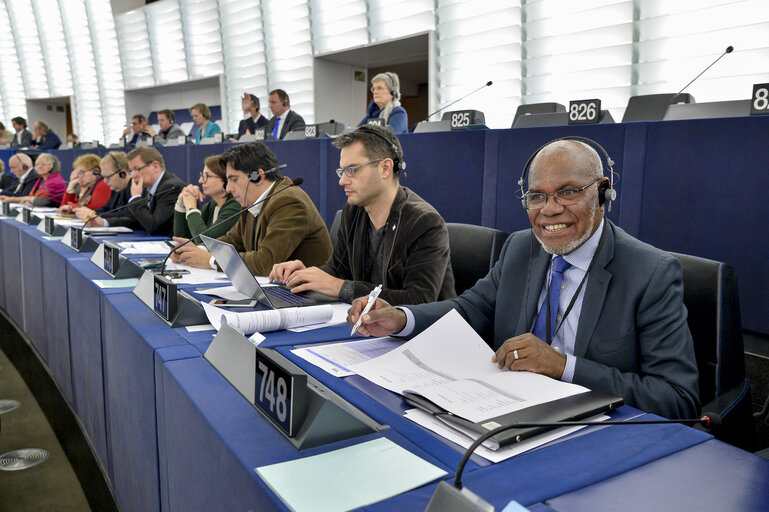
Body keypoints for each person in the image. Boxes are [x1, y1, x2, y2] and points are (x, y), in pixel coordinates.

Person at [348, 138, 700, 420]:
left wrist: (563, 367)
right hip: (505, 411)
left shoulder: (650, 273)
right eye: (537, 197)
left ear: (603, 192)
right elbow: (470, 310)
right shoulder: (522, 247)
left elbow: (677, 399)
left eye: (568, 192)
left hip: (591, 426)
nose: (549, 209)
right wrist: (401, 317)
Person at [269, 124, 455, 305]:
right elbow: (338, 271)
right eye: (342, 171)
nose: (342, 181)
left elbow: (418, 300)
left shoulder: (424, 223)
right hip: (370, 326)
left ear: (385, 168)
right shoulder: (353, 211)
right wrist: (305, 275)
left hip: (420, 334)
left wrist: (340, 286)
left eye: (352, 170)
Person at [170, 142, 332, 275]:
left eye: (233, 180)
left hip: (306, 299)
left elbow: (266, 262)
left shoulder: (288, 202)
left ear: (258, 176)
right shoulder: (252, 201)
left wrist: (211, 261)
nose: (229, 189)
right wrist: (196, 251)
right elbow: (233, 240)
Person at [85, 146, 185, 236]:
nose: (132, 175)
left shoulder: (171, 188)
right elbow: (137, 220)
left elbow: (154, 226)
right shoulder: (147, 187)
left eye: (137, 169)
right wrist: (104, 223)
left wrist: (136, 198)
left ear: (155, 166)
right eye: (131, 170)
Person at [173, 155, 240, 243]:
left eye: (207, 176)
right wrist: (181, 203)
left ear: (226, 179)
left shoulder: (235, 207)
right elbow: (183, 240)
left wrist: (191, 208)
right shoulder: (211, 206)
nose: (200, 180)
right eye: (202, 175)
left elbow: (205, 242)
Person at [74, 152, 133, 222]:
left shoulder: (135, 189)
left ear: (122, 173)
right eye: (103, 177)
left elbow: (127, 216)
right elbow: (106, 209)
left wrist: (93, 214)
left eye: (108, 177)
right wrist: (92, 213)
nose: (105, 181)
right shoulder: (116, 188)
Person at [0, 153, 66, 207]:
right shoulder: (41, 179)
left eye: (44, 164)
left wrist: (13, 199)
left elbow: (39, 201)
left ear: (53, 166)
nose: (39, 166)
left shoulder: (55, 181)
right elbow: (31, 197)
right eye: (37, 164)